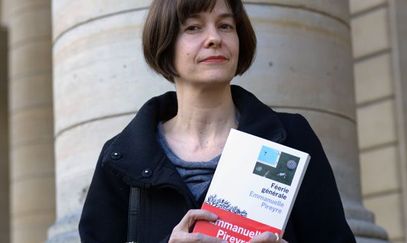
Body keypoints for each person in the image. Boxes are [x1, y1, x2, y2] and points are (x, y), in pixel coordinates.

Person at [79, 0, 356, 242]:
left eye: (225, 26)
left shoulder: (292, 138)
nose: (214, 38)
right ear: (165, 44)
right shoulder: (120, 160)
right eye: (193, 28)